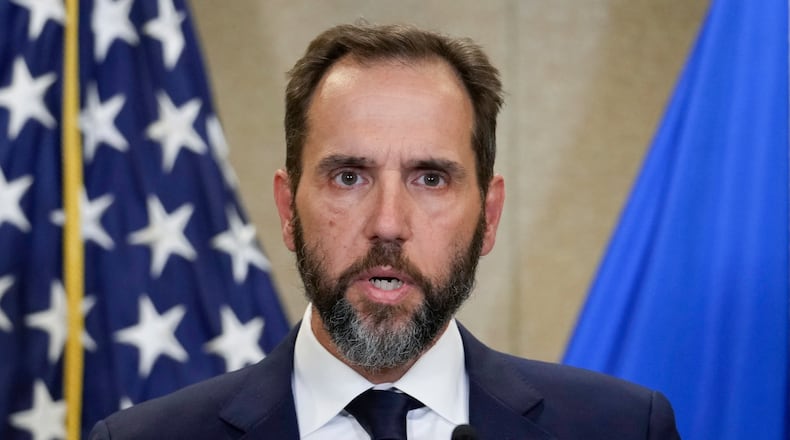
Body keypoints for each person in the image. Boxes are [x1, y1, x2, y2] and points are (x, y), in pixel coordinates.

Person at [90, 23, 680, 440]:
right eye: (349, 177)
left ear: (489, 216)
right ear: (288, 209)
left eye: (430, 179)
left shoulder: (621, 428)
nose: (388, 225)